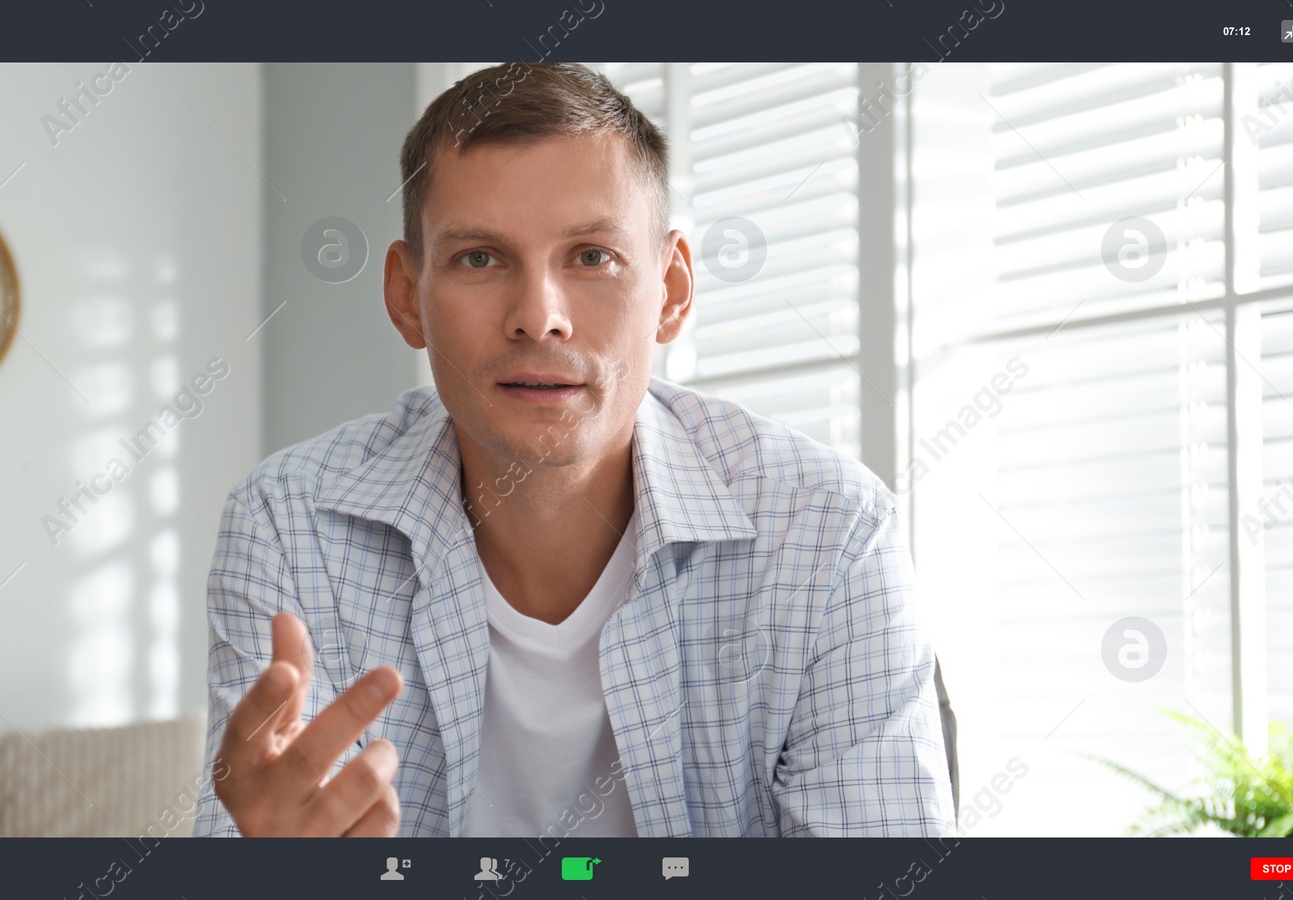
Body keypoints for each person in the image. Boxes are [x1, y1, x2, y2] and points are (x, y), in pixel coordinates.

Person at [193, 61, 954, 838]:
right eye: (480, 258)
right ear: (404, 297)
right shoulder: (287, 522)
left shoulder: (831, 533)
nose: (539, 317)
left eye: (592, 255)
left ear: (673, 290)